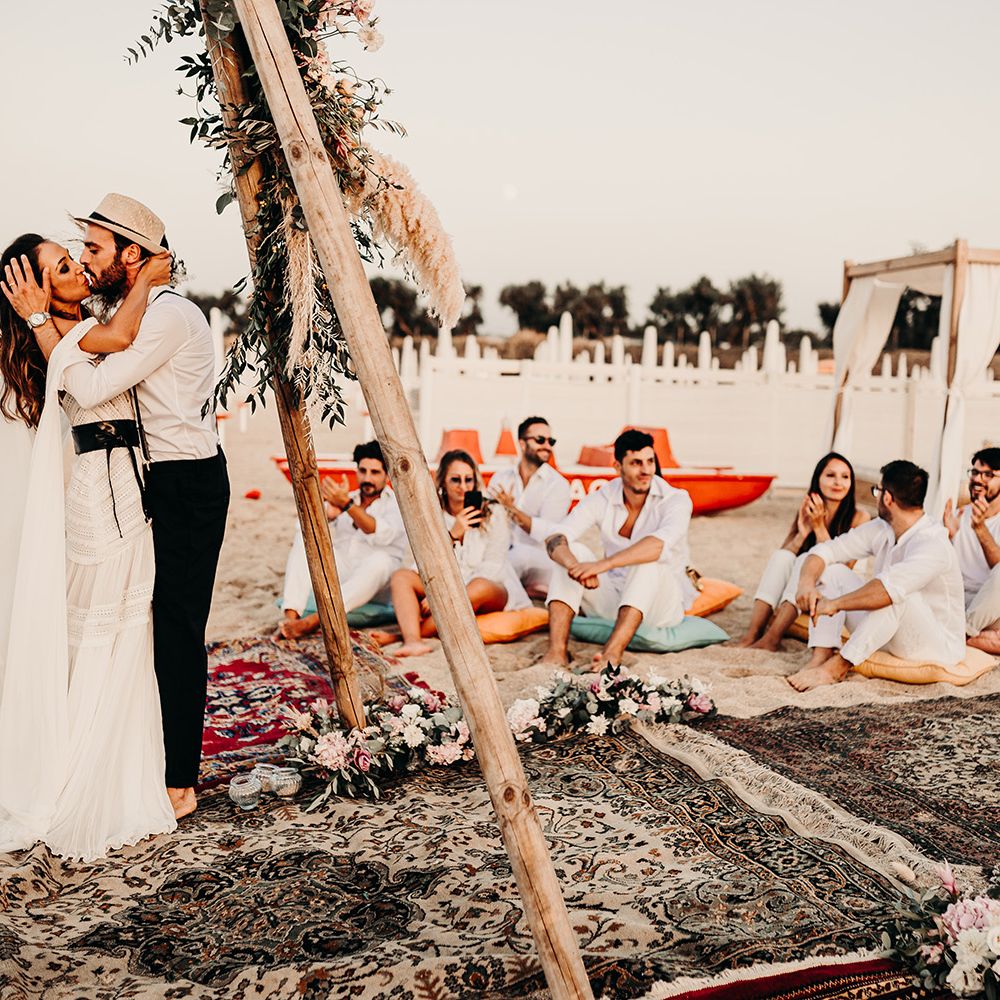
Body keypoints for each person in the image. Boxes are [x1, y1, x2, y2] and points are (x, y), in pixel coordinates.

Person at [19, 195, 230, 822]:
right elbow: (91, 347)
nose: (85, 260)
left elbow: (89, 381)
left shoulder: (167, 315)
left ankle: (178, 780)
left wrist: (40, 322)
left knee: (178, 625)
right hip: (154, 479)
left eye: (94, 249)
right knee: (148, 617)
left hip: (188, 482)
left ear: (132, 255)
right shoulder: (130, 310)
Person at [0, 232, 177, 859]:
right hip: (97, 499)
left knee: (131, 633)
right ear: (38, 289)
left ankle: (127, 774)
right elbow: (124, 339)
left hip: (133, 490)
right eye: (61, 267)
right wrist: (149, 277)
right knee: (98, 632)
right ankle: (78, 773)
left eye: (74, 258)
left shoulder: (85, 327)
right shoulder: (68, 342)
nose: (77, 268)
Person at [788, 460, 966, 691]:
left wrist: (835, 604)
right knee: (832, 571)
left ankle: (837, 667)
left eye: (877, 490)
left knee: (897, 594)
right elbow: (827, 550)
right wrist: (806, 584)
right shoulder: (883, 527)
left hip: (936, 645)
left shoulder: (933, 543)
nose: (876, 496)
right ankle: (821, 654)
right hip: (885, 631)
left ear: (888, 498)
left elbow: (886, 591)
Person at [541, 429, 696, 669]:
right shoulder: (604, 496)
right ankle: (556, 652)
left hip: (661, 606)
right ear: (617, 467)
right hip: (613, 600)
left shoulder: (676, 499)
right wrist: (576, 567)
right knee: (576, 551)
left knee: (649, 561)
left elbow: (657, 545)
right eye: (636, 463)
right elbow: (555, 536)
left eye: (650, 461)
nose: (645, 471)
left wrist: (602, 565)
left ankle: (611, 655)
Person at [390, 449, 529, 657]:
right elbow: (421, 563)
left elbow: (492, 568)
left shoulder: (494, 513)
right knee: (401, 577)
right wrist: (452, 535)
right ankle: (412, 641)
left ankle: (398, 637)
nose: (463, 487)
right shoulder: (431, 514)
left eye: (468, 480)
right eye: (455, 480)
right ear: (443, 483)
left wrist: (443, 594)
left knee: (478, 586)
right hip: (444, 587)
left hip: (491, 591)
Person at [735, 452, 869, 649]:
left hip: (839, 590)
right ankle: (752, 634)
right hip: (804, 593)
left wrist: (819, 527)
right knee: (782, 557)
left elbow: (843, 567)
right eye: (830, 475)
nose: (838, 482)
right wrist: (803, 533)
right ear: (818, 479)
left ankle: (771, 639)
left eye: (845, 476)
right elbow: (784, 555)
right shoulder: (808, 507)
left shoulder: (859, 517)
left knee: (807, 558)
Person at [277, 440, 407, 639]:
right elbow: (302, 529)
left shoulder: (395, 505)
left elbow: (379, 531)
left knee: (381, 561)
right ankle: (292, 619)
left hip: (376, 583)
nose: (367, 478)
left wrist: (346, 505)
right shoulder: (347, 498)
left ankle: (314, 621)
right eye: (363, 471)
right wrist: (328, 514)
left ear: (387, 475)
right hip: (343, 572)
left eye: (375, 472)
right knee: (305, 541)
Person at [488, 416, 571, 598]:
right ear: (522, 444)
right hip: (505, 554)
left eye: (551, 441)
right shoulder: (501, 478)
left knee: (515, 556)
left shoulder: (558, 485)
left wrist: (511, 510)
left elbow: (546, 533)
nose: (547, 446)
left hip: (541, 559)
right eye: (540, 440)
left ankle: (514, 596)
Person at [943, 448, 1000, 654]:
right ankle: (968, 636)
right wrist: (947, 537)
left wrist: (980, 528)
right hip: (959, 602)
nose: (978, 479)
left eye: (988, 474)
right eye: (975, 473)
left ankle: (962, 635)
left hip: (991, 608)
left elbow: (998, 568)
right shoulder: (958, 515)